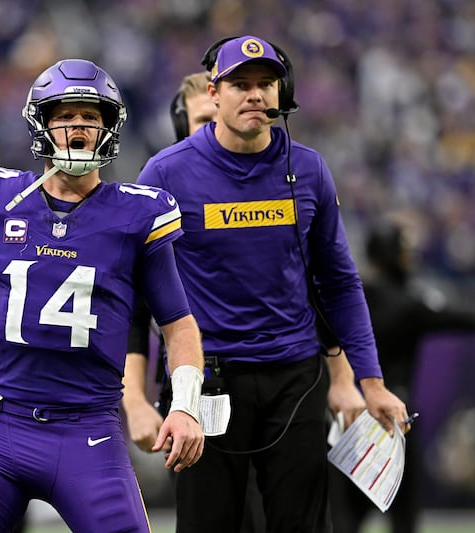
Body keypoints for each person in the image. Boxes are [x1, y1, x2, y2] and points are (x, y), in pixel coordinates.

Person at [0, 58, 205, 532]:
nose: (79, 126)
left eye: (91, 116)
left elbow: (178, 325)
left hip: (87, 429)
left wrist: (184, 404)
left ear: (109, 127)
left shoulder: (138, 213)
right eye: (66, 114)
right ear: (41, 122)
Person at [132, 35, 409, 533]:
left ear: (284, 93)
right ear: (214, 94)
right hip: (206, 382)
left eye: (266, 84)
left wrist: (371, 383)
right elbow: (135, 294)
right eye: (241, 84)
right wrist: (133, 395)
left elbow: (340, 285)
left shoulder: (309, 169)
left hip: (295, 380)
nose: (255, 95)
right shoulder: (166, 174)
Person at [328, 217, 475, 533]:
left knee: (346, 516)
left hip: (351, 418)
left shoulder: (354, 298)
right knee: (403, 516)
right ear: (393, 254)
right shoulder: (407, 303)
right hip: (394, 417)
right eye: (404, 251)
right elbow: (459, 318)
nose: (409, 257)